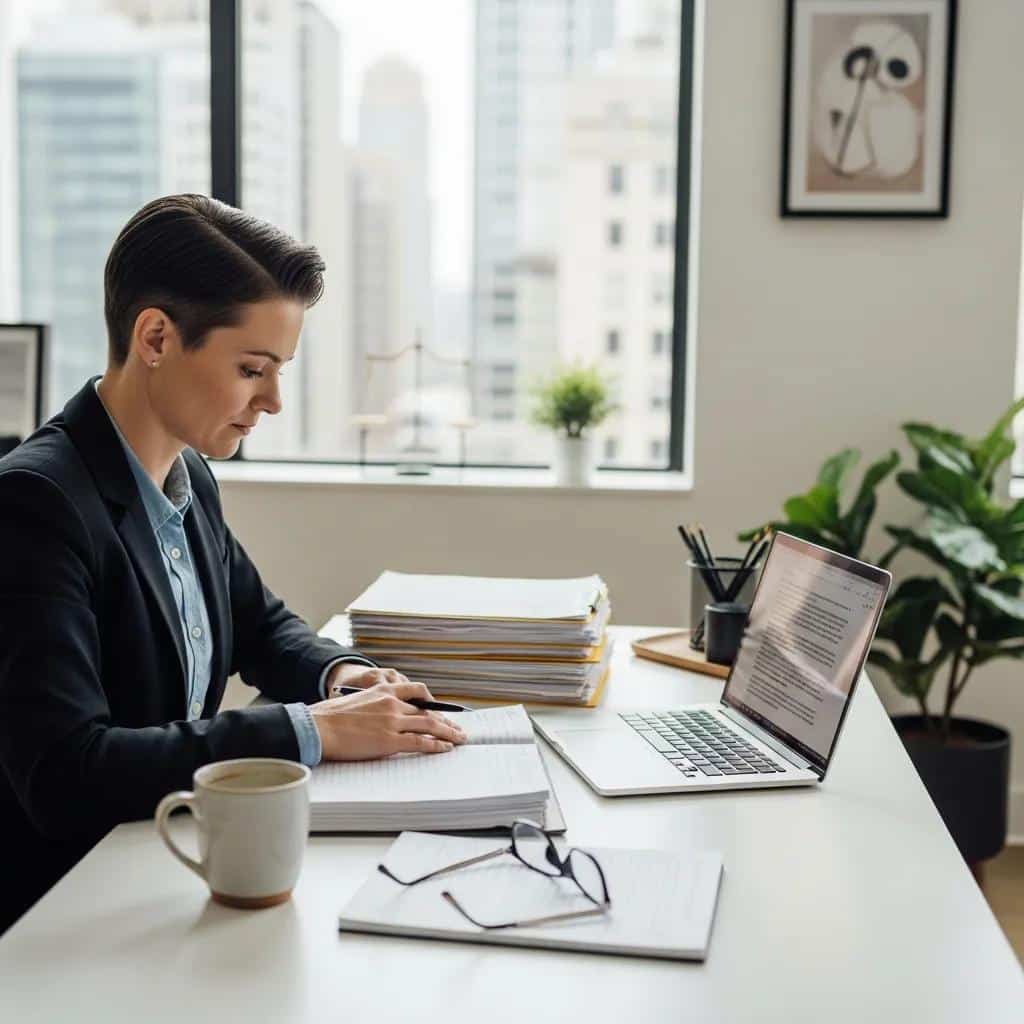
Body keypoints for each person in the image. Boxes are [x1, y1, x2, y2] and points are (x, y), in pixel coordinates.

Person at [0, 194, 466, 932]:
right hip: (66, 913)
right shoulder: (35, 503)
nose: (273, 400)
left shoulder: (187, 474)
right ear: (156, 337)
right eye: (253, 368)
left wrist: (341, 677)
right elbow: (65, 772)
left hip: (161, 866)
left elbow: (260, 624)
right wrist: (310, 731)